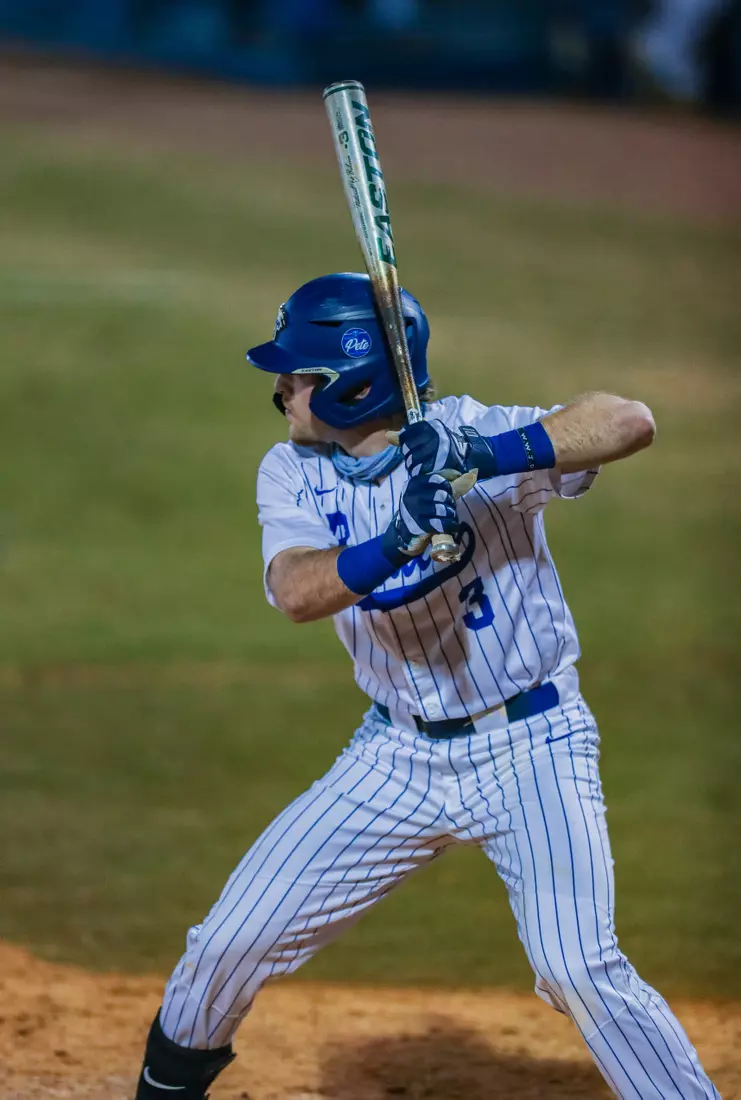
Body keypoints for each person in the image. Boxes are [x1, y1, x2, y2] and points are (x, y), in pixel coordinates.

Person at [134, 272, 718, 1099]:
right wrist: (398, 538)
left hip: (533, 747)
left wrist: (483, 458)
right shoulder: (293, 470)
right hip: (395, 757)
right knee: (228, 943)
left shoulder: (469, 435)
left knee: (576, 967)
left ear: (352, 383)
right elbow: (299, 591)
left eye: (297, 376)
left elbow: (629, 421)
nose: (280, 391)